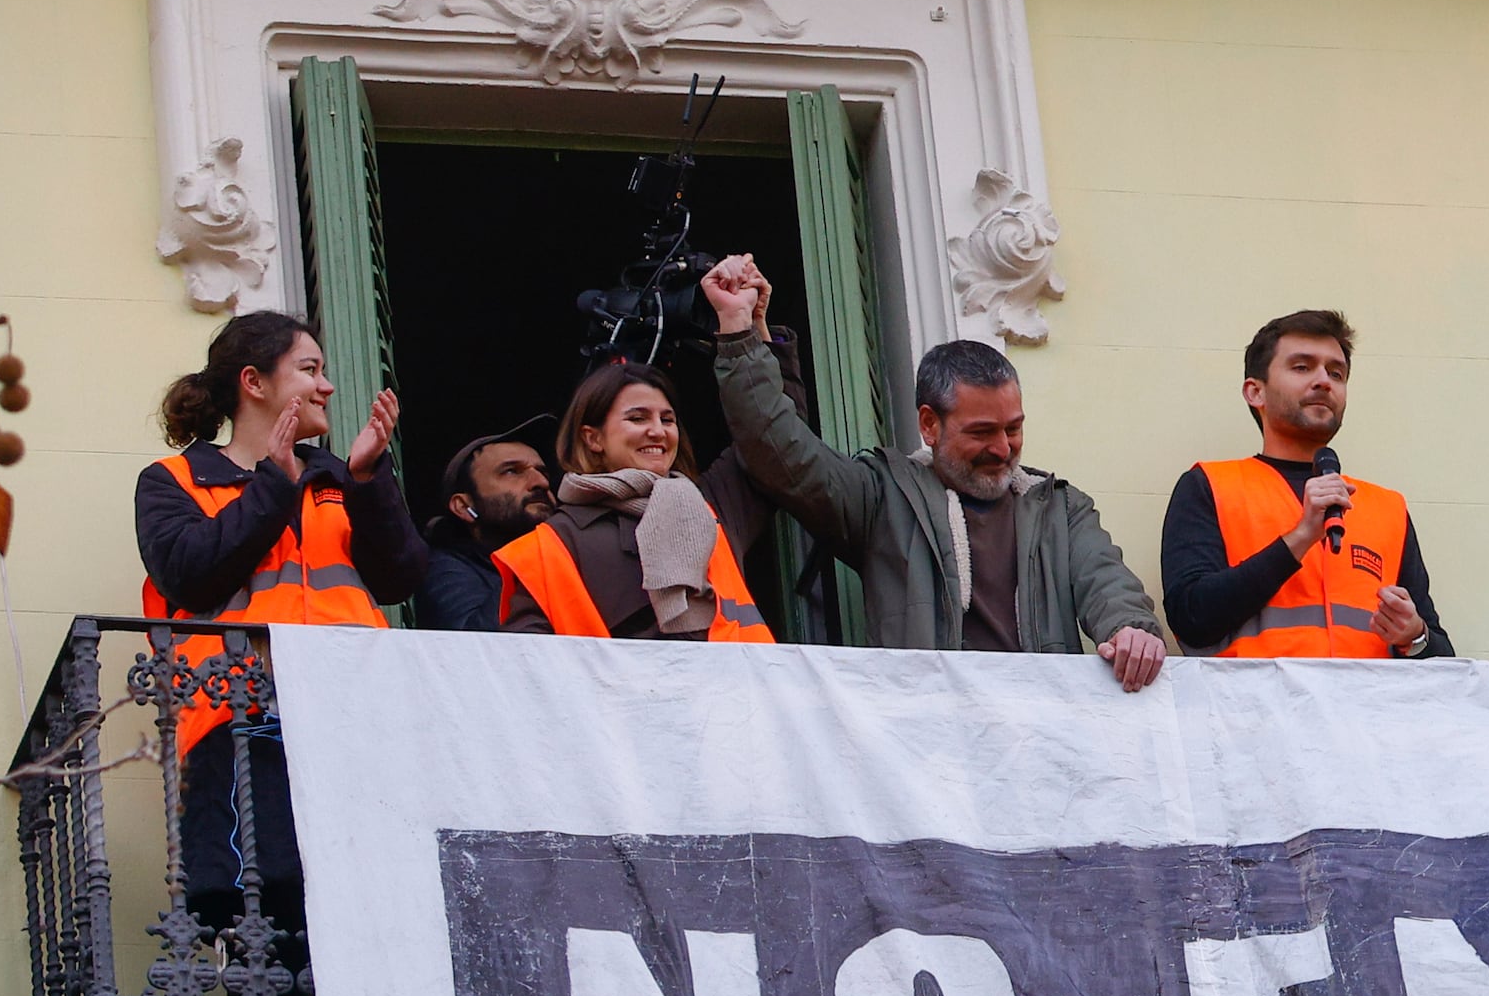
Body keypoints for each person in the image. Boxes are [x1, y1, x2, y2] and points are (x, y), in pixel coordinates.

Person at [698, 253, 1167, 688]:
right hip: (926, 752)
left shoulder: (1061, 508)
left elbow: (1107, 581)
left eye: (1014, 428)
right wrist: (742, 332)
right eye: (982, 432)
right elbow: (781, 453)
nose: (1003, 448)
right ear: (929, 424)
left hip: (1041, 743)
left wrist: (1131, 629)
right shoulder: (881, 496)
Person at [132, 307, 429, 932]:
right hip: (240, 728)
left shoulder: (342, 479)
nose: (327, 386)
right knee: (263, 920)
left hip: (355, 722)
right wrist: (275, 482)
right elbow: (189, 573)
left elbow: (401, 576)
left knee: (374, 910)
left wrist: (371, 477)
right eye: (309, 369)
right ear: (255, 382)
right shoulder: (175, 480)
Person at [1163, 309, 1443, 660]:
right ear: (1255, 392)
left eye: (1336, 373)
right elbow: (1190, 616)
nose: (1324, 381)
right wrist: (1300, 538)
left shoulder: (1387, 508)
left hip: (1364, 711)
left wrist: (1414, 636)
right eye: (1302, 367)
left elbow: (1444, 659)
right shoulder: (1209, 485)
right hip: (1250, 708)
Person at [493, 363, 775, 643]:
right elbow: (528, 665)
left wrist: (746, 337)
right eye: (638, 419)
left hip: (736, 687)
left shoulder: (713, 505)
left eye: (667, 420)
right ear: (593, 438)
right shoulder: (550, 545)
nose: (658, 431)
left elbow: (772, 438)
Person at [415, 432, 549, 634]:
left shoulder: (573, 550)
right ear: (463, 506)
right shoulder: (446, 568)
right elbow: (473, 648)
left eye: (543, 472)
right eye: (512, 472)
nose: (541, 482)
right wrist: (530, 555)